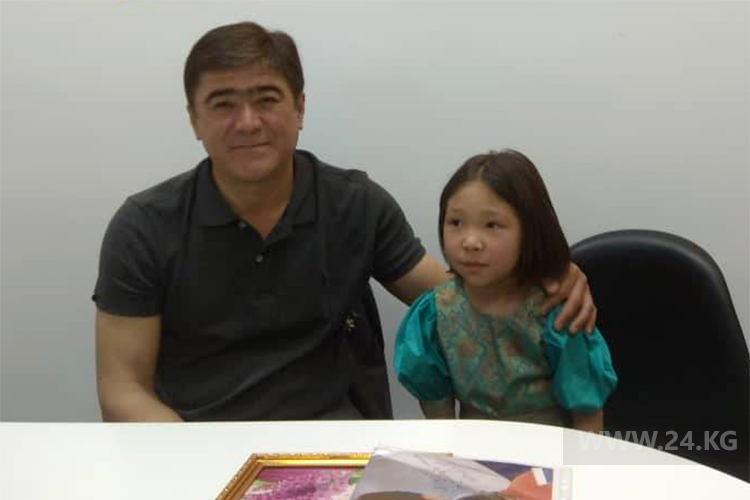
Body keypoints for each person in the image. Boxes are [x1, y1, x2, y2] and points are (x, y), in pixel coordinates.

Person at [93, 21, 596, 422]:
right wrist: (194, 463)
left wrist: (546, 283)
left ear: (299, 109)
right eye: (223, 104)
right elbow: (122, 388)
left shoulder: (356, 205)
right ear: (194, 119)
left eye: (267, 100)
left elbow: (457, 298)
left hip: (339, 444)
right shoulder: (144, 228)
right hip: (199, 440)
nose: (247, 122)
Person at [394, 150, 617, 431]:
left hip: (548, 447)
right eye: (456, 223)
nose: (470, 241)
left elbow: (586, 413)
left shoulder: (556, 312)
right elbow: (438, 411)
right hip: (472, 448)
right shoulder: (435, 313)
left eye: (492, 225)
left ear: (531, 231)